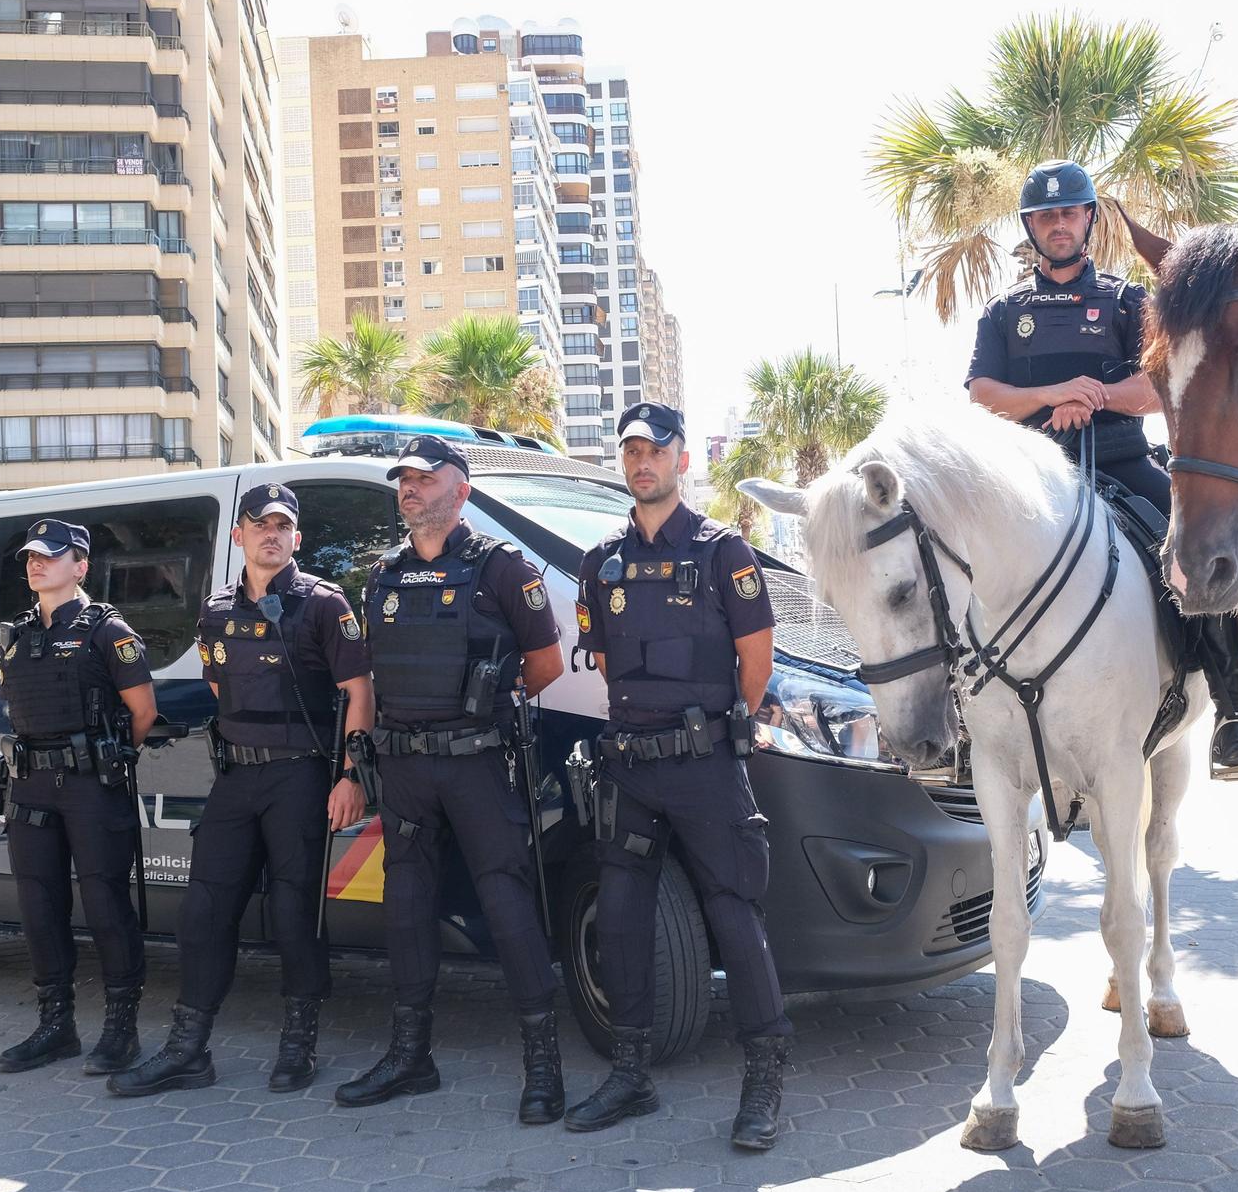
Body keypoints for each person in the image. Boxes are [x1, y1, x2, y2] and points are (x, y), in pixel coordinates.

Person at [966, 159, 1238, 778]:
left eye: (1069, 212)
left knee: (1193, 549)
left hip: (1121, 461)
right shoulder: (1002, 311)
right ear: (1031, 226)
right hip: (1029, 476)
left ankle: (1233, 714)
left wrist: (1089, 396)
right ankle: (963, 725)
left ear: (1089, 219)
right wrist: (1052, 397)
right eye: (1045, 215)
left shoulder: (1126, 300)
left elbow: (1161, 386)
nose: (1058, 224)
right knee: (955, 559)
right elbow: (983, 392)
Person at [564, 401, 793, 1151]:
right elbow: (604, 664)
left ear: (681, 460)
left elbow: (755, 668)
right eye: (630, 451)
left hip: (704, 768)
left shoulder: (724, 553)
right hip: (630, 768)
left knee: (735, 913)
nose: (641, 463)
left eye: (654, 450)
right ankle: (630, 1074)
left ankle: (763, 1078)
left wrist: (710, 727)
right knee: (624, 917)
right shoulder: (600, 563)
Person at [110, 483, 375, 1096]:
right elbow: (216, 683)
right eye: (261, 524)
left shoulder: (324, 605)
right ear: (240, 536)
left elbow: (359, 693)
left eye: (283, 525)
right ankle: (187, 1049)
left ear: (297, 538)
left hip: (300, 776)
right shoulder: (216, 610)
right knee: (204, 909)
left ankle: (299, 1043)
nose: (272, 534)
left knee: (294, 911)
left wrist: (349, 775)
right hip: (234, 777)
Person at [332, 435, 569, 1123]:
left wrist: (485, 708)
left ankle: (543, 1065)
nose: (408, 489)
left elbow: (546, 664)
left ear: (459, 490)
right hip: (404, 766)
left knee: (507, 903)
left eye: (423, 479)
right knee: (405, 906)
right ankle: (411, 1057)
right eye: (403, 479)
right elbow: (372, 673)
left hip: (476, 764)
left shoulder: (500, 568)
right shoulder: (382, 574)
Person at [0, 518, 157, 1076]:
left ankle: (121, 1030)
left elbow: (144, 713)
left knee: (106, 905)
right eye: (32, 557)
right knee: (39, 908)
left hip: (91, 786)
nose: (37, 564)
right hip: (31, 785)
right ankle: (56, 1025)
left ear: (80, 565)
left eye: (51, 556)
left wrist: (100, 758)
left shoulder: (108, 631)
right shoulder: (15, 634)